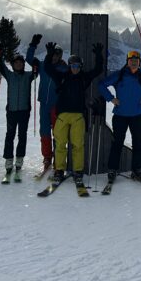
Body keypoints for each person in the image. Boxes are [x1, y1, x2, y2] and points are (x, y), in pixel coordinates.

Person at [44, 42, 104, 189]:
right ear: (69, 66)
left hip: (78, 115)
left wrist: (98, 55)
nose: (75, 68)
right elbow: (48, 68)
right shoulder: (62, 76)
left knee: (78, 145)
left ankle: (78, 172)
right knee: (60, 145)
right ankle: (59, 170)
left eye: (77, 66)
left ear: (80, 67)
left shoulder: (84, 77)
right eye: (72, 66)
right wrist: (50, 54)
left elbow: (97, 70)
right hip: (62, 115)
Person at [98, 50, 141, 183]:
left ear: (139, 62)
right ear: (127, 61)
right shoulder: (119, 75)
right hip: (120, 115)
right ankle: (112, 169)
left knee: (137, 143)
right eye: (131, 60)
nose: (134, 62)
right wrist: (111, 98)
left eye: (136, 60)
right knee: (117, 143)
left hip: (137, 115)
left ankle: (137, 170)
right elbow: (101, 85)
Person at [26, 34, 67, 171]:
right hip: (44, 103)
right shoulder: (42, 65)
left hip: (57, 105)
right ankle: (47, 157)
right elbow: (29, 59)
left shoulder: (64, 69)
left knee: (58, 133)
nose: (55, 57)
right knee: (44, 131)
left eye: (58, 55)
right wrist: (33, 45)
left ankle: (58, 157)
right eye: (53, 54)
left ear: (61, 56)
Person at [0, 47, 39, 180]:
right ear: (13, 65)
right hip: (11, 111)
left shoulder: (28, 75)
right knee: (10, 135)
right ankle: (9, 160)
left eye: (21, 63)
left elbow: (35, 71)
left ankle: (19, 159)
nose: (19, 64)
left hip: (24, 111)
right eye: (16, 63)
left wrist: (35, 63)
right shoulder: (9, 75)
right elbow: (1, 66)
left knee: (22, 135)